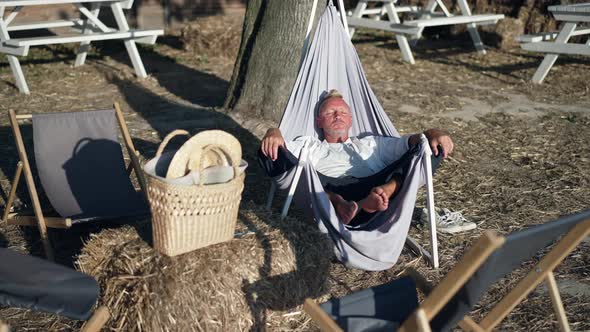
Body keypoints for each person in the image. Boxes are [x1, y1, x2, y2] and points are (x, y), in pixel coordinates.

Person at [259, 90, 454, 225]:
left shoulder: (371, 143)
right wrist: (273, 131)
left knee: (429, 151)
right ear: (319, 121)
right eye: (330, 113)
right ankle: (344, 203)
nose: (338, 116)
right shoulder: (309, 145)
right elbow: (278, 150)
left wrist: (433, 133)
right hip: (328, 190)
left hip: (374, 186)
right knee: (274, 157)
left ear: (351, 119)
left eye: (343, 112)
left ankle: (382, 193)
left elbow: (412, 143)